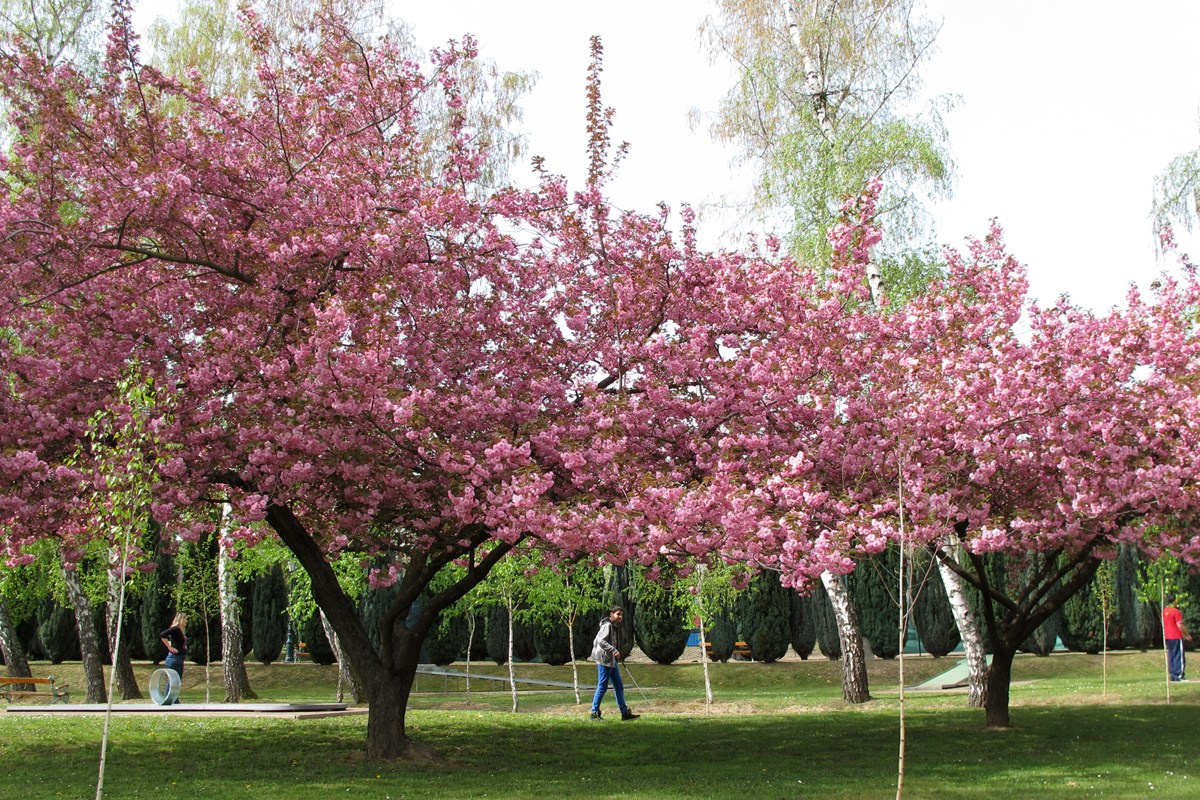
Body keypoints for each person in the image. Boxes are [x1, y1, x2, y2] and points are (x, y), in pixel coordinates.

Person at [589, 606, 639, 721]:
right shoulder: (607, 626)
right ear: (611, 614)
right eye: (617, 614)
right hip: (604, 660)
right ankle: (594, 713)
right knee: (602, 686)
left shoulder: (613, 626)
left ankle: (624, 712)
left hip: (611, 661)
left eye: (621, 615)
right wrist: (614, 650)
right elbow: (600, 641)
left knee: (618, 685)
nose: (620, 617)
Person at [159, 612, 188, 699]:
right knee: (173, 680)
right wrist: (169, 647)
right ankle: (169, 699)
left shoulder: (180, 630)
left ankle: (173, 699)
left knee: (176, 681)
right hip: (174, 658)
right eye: (185, 619)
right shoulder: (175, 629)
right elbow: (162, 635)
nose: (187, 621)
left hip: (179, 658)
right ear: (181, 619)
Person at [1163, 596, 1191, 682]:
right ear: (1175, 601)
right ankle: (1179, 675)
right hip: (1176, 636)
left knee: (1171, 655)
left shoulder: (1164, 611)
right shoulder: (1176, 611)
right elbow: (1180, 625)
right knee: (1179, 655)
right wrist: (1186, 635)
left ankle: (1173, 675)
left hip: (1168, 636)